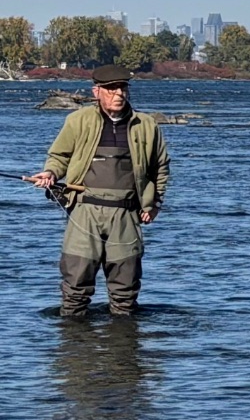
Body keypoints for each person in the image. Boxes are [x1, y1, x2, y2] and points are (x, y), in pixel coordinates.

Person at [31, 64, 171, 317]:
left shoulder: (147, 125)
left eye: (123, 88)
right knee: (75, 285)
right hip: (84, 211)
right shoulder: (78, 120)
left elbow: (160, 167)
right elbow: (59, 156)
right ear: (97, 92)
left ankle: (124, 350)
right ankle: (74, 349)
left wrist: (154, 204)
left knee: (125, 290)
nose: (119, 93)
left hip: (127, 215)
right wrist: (50, 173)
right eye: (111, 88)